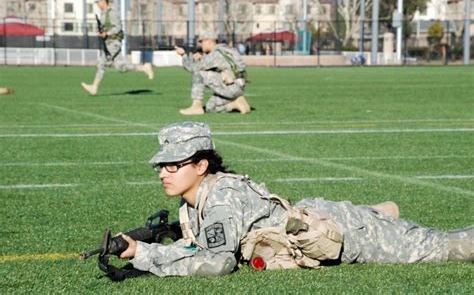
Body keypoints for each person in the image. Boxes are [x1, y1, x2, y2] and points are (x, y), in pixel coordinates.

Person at [119, 122, 473, 277]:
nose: (164, 172)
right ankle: (380, 214)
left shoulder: (221, 200)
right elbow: (203, 248)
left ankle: (377, 219)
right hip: (313, 215)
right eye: (161, 166)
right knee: (385, 222)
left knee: (443, 247)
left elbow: (217, 263)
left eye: (173, 165)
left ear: (200, 165)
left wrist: (143, 254)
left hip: (346, 233)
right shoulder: (196, 198)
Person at [81, 0, 154, 96]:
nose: (97, 4)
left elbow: (118, 28)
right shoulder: (103, 13)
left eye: (98, 2)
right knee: (121, 67)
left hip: (113, 43)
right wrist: (102, 32)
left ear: (103, 1)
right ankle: (144, 68)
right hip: (109, 42)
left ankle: (94, 87)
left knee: (101, 63)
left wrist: (107, 33)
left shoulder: (112, 12)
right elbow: (107, 27)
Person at [175, 31, 251, 115]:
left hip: (230, 88)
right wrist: (204, 58)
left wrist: (183, 55)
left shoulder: (215, 54)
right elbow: (224, 66)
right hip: (238, 87)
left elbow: (192, 68)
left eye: (202, 42)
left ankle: (196, 106)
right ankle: (235, 104)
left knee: (198, 73)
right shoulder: (229, 50)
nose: (201, 45)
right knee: (210, 108)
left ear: (209, 41)